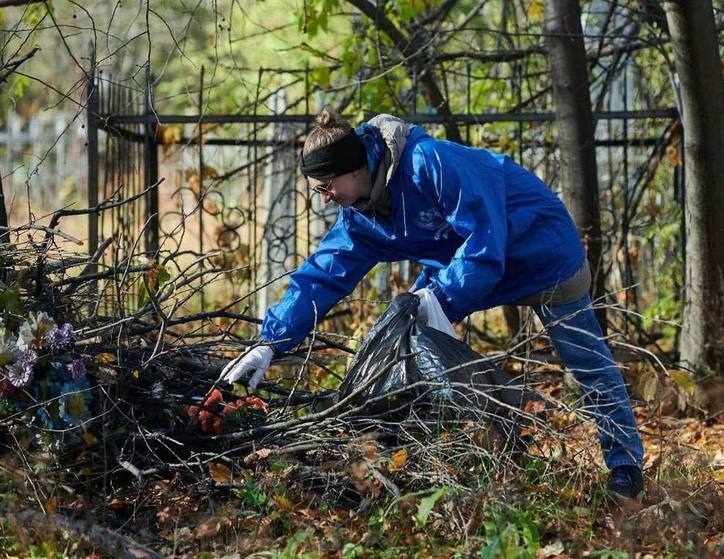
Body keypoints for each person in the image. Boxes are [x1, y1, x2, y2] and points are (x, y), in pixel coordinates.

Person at [219, 109, 645, 501]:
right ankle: (473, 455)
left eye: (327, 187)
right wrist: (271, 343)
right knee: (408, 342)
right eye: (318, 191)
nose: (325, 198)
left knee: (586, 361)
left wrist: (438, 298)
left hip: (542, 254)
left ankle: (626, 470)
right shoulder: (361, 215)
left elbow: (483, 245)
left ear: (354, 168)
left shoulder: (430, 163)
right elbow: (323, 274)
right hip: (467, 264)